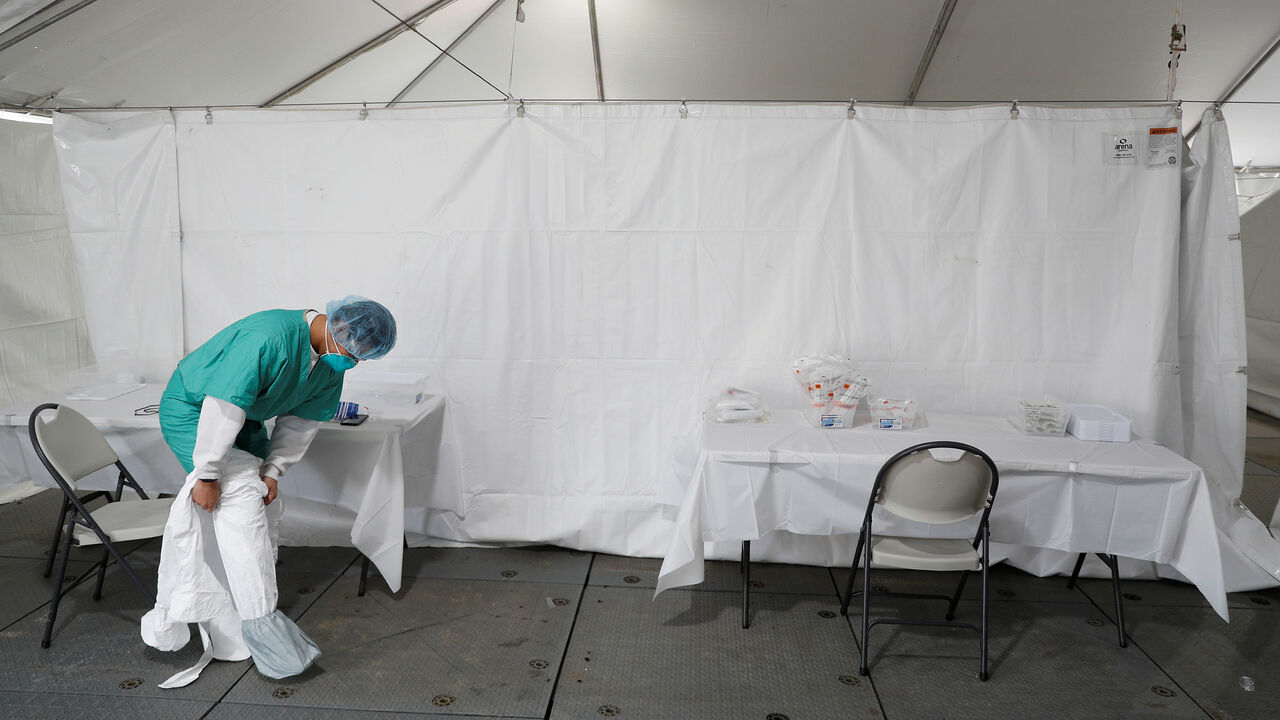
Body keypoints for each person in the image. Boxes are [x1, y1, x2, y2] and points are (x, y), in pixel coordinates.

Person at [140, 296, 397, 687]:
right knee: (241, 505)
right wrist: (207, 476)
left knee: (259, 505)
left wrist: (274, 471)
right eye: (354, 353)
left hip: (245, 419)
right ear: (340, 328)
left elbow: (301, 423)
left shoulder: (328, 365)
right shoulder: (267, 338)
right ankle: (256, 628)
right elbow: (223, 406)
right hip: (197, 409)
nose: (355, 363)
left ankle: (233, 623)